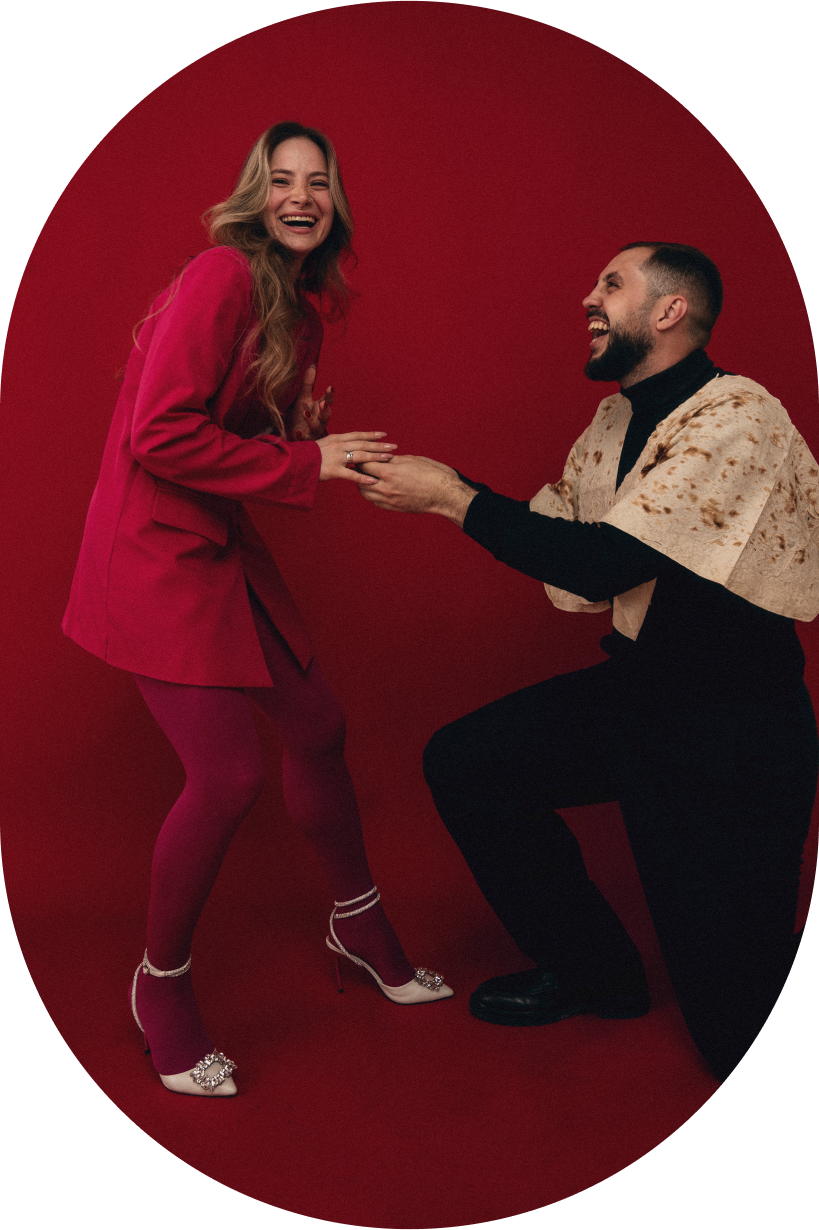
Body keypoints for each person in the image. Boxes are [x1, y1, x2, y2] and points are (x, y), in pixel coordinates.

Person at [358, 242, 819, 1081]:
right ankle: (595, 973)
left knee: (733, 1034)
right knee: (466, 762)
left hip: (734, 734)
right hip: (639, 695)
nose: (588, 298)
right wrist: (435, 484)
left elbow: (603, 564)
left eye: (611, 283)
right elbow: (559, 540)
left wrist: (453, 499)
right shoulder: (612, 421)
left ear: (670, 310)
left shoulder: (738, 416)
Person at [62, 122, 453, 1099]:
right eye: (281, 180)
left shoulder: (300, 308)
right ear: (256, 194)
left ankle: (357, 924)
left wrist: (297, 432)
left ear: (335, 203)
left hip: (216, 542)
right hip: (152, 551)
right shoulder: (220, 276)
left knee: (318, 725)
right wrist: (304, 458)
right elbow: (158, 434)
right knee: (228, 774)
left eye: (317, 182)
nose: (300, 196)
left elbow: (236, 434)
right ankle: (160, 986)